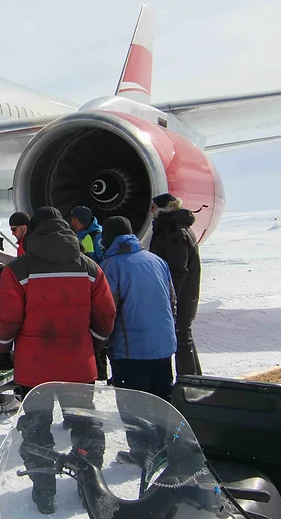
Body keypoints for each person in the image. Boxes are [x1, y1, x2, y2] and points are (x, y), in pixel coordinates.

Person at [0, 212, 116, 514]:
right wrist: (92, 343)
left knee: (36, 430)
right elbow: (106, 314)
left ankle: (44, 492)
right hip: (78, 364)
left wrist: (1, 350)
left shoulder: (18, 270)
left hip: (35, 369)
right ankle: (90, 487)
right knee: (86, 426)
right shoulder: (89, 268)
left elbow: (6, 317)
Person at [100, 215, 177, 467]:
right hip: (163, 344)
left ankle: (143, 452)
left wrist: (102, 340)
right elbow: (172, 301)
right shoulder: (156, 260)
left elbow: (108, 309)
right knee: (162, 398)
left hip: (132, 347)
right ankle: (166, 448)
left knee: (135, 405)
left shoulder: (112, 265)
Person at [149, 193, 202, 377]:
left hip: (180, 295)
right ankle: (194, 380)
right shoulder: (177, 228)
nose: (151, 211)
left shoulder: (174, 232)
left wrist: (170, 299)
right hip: (184, 293)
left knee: (181, 337)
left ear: (162, 208)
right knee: (183, 336)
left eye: (153, 207)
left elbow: (178, 269)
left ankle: (189, 382)